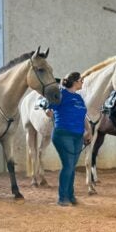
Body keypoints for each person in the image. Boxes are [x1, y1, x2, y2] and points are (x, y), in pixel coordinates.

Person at [45, 72, 91, 206]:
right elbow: (49, 110)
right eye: (81, 80)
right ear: (75, 81)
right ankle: (62, 197)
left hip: (78, 135)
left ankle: (70, 195)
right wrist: (48, 110)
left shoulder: (79, 98)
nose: (82, 82)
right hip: (63, 134)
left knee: (71, 167)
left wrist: (88, 131)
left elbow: (83, 117)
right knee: (68, 165)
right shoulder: (60, 94)